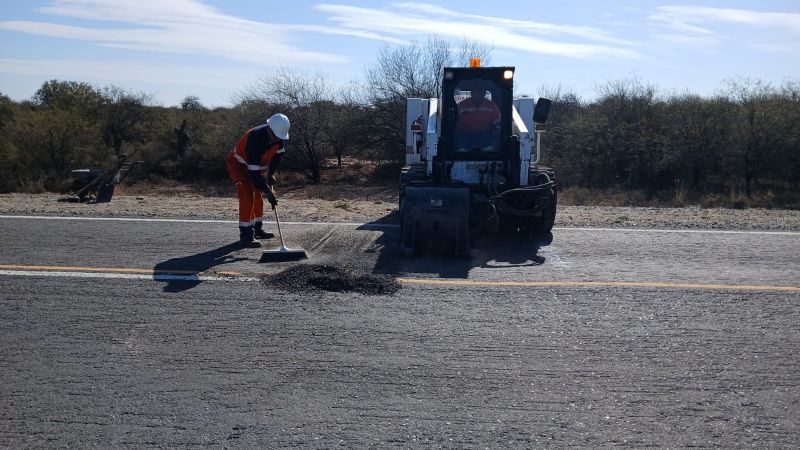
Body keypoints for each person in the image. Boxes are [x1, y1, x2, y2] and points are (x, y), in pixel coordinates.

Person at [226, 113, 290, 248]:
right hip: (238, 166)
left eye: (279, 137)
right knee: (247, 196)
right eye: (275, 136)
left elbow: (277, 157)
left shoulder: (278, 139)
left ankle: (257, 229)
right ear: (269, 129)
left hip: (254, 167)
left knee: (258, 195)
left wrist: (271, 174)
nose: (277, 140)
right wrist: (269, 192)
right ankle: (246, 236)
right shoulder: (255, 139)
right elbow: (254, 175)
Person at [455, 81, 501, 152]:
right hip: (465, 134)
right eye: (474, 91)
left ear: (484, 93)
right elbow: (455, 122)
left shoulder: (493, 107)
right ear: (471, 92)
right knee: (461, 150)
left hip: (485, 135)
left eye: (480, 91)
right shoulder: (461, 105)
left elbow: (497, 124)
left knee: (489, 150)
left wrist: (497, 131)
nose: (477, 93)